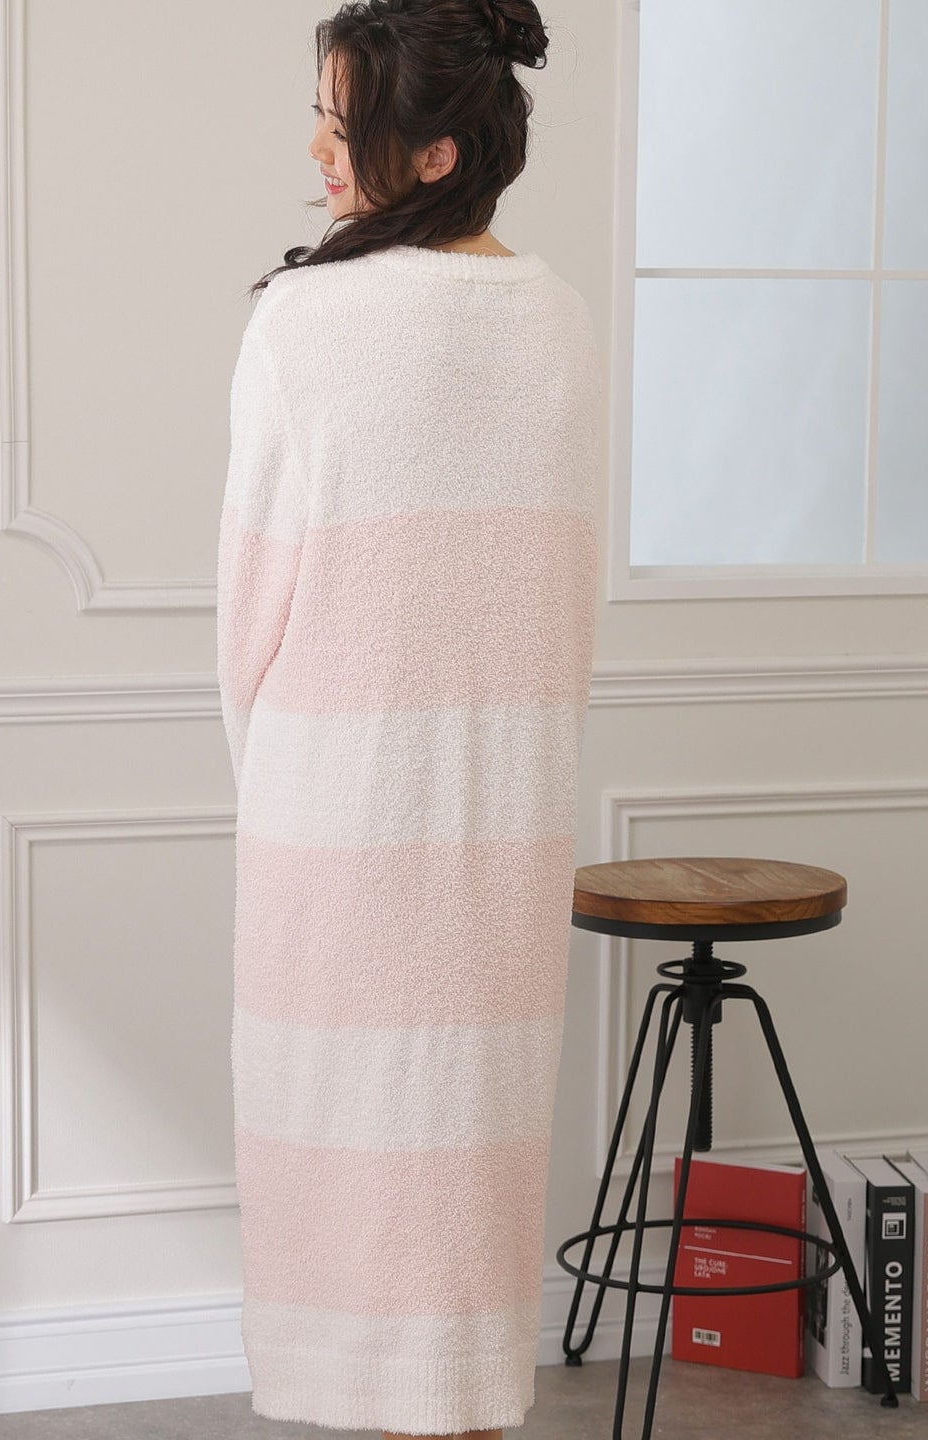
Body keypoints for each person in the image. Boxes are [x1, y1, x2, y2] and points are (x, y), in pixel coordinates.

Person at [216, 2, 602, 1436]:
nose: (321, 152)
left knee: (343, 1138)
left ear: (434, 153)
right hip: (505, 800)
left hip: (336, 797)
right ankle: (467, 1403)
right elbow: (566, 582)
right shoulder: (559, 320)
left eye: (345, 124)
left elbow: (252, 594)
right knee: (465, 1144)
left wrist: (268, 768)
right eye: (321, 119)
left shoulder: (305, 319)